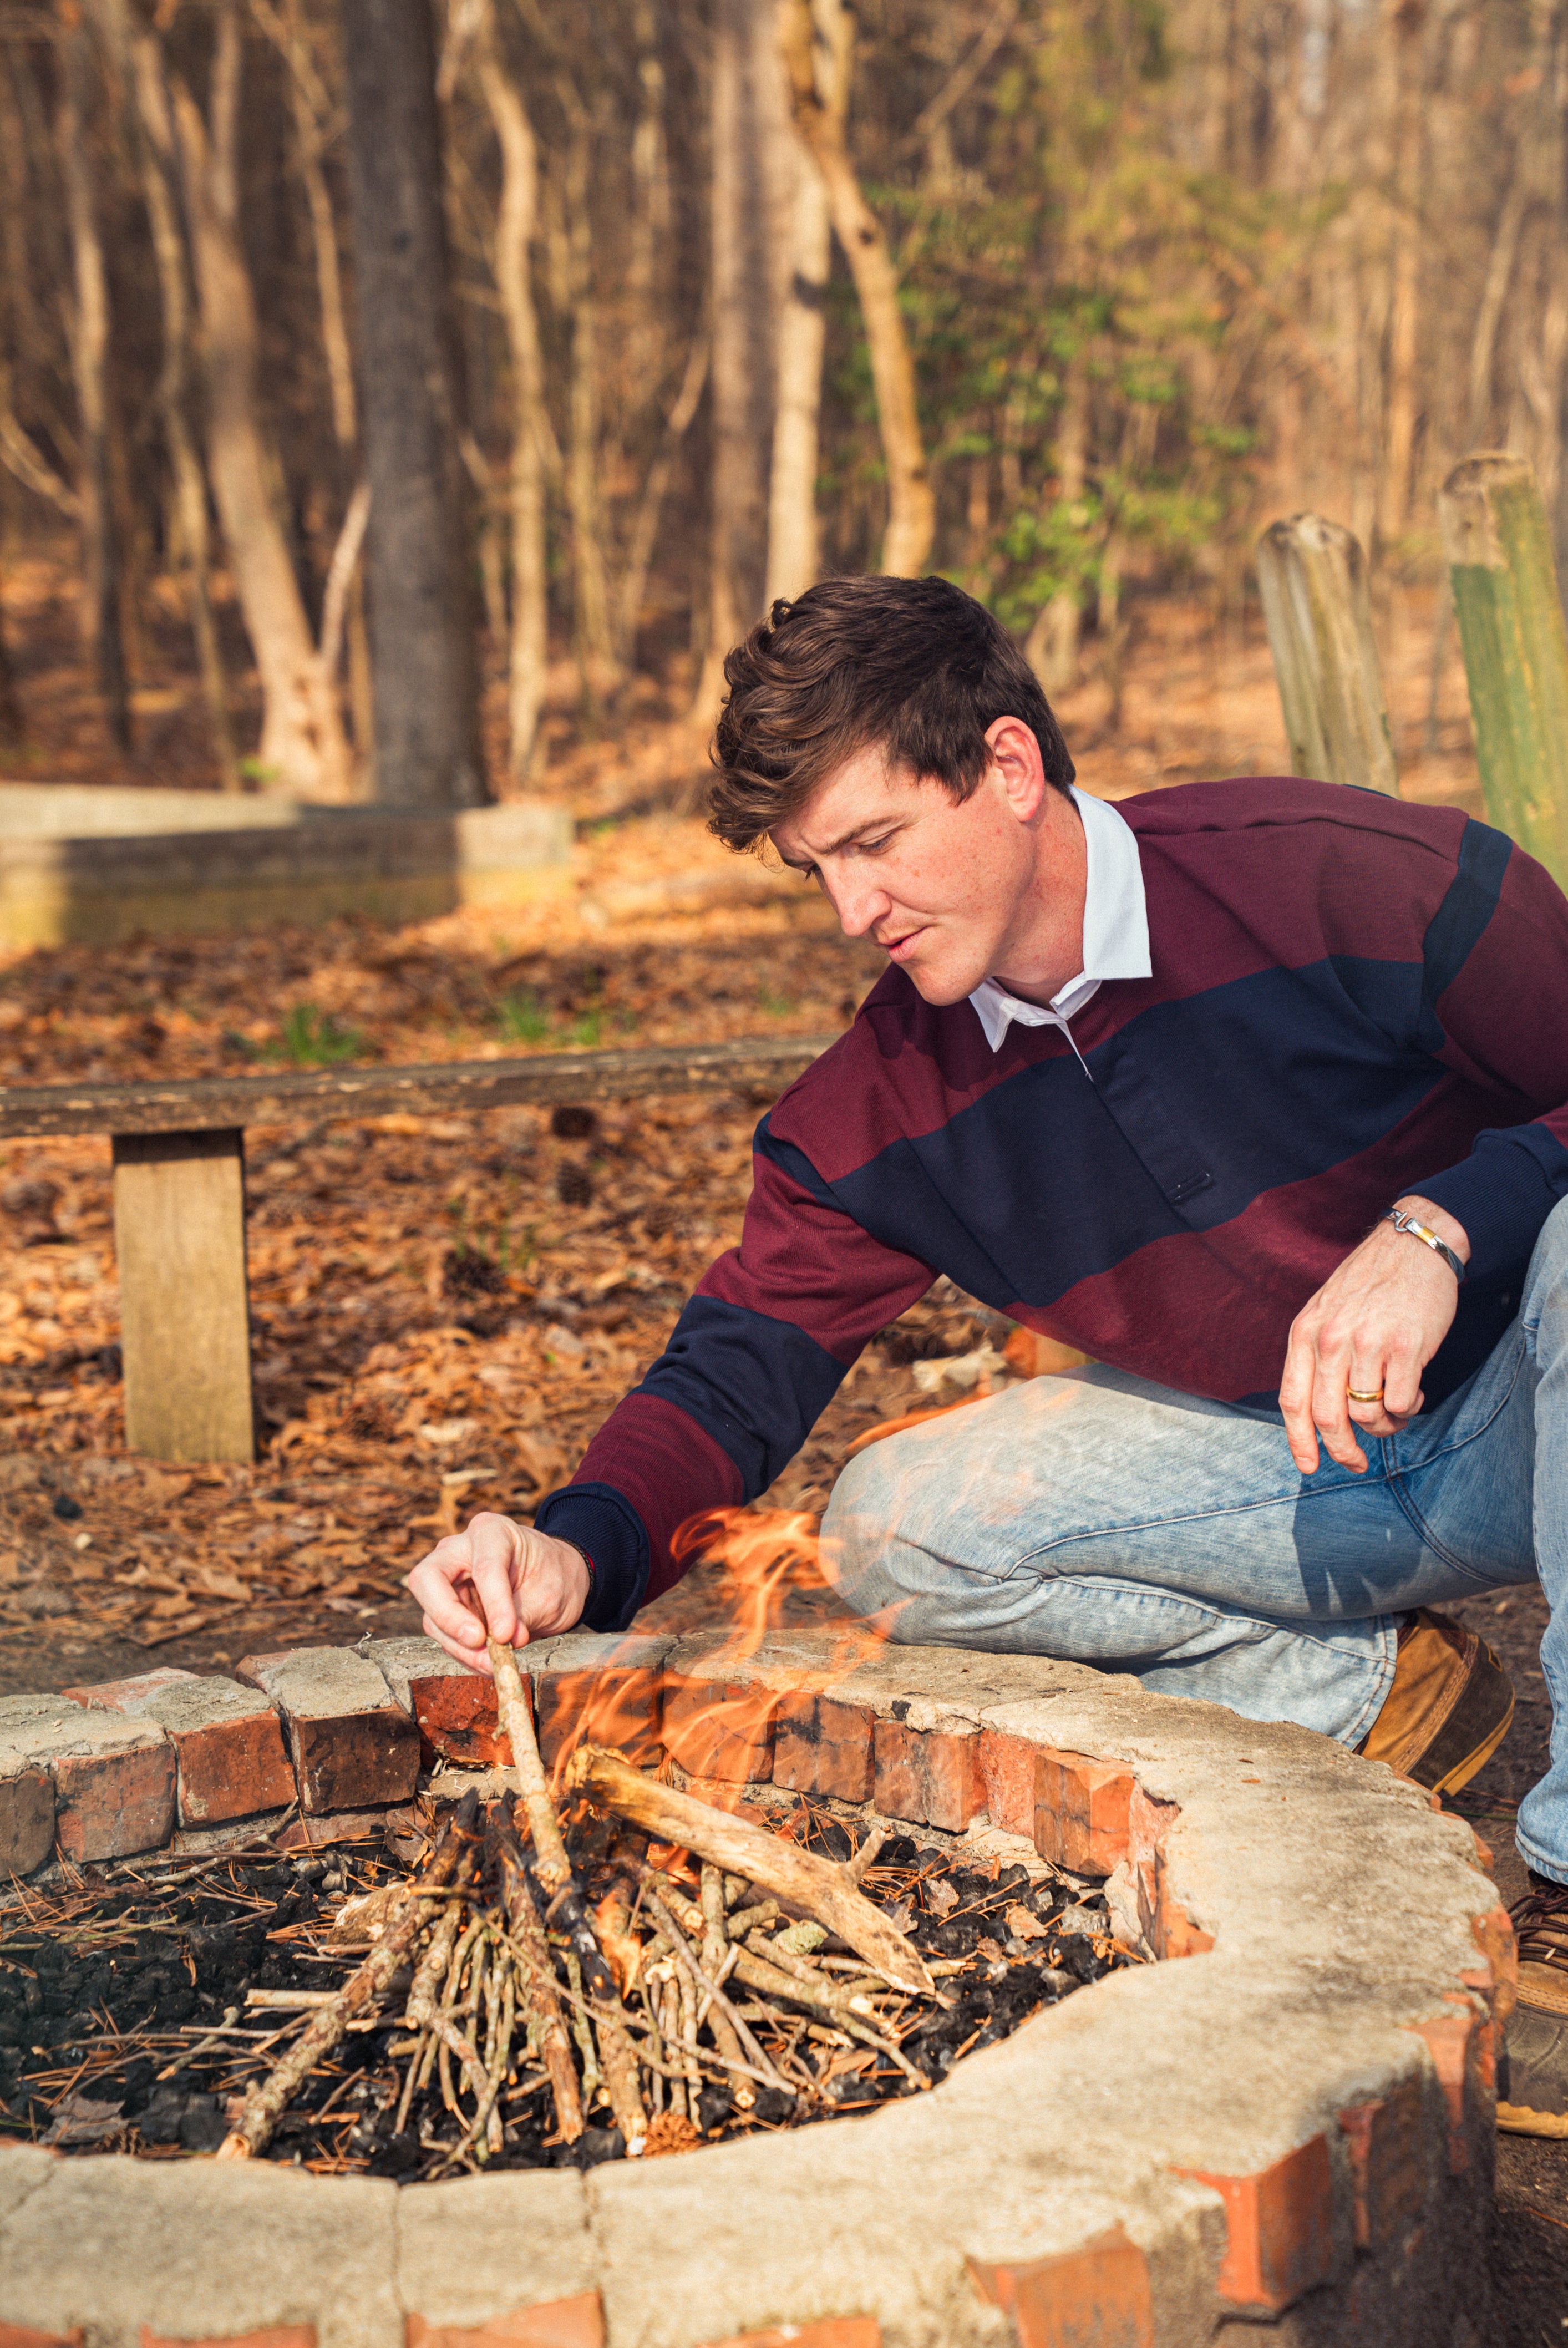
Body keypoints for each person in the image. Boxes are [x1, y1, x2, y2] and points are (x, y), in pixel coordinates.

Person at [406, 573, 1568, 2132]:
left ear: (1009, 768)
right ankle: (1357, 1696)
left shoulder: (1356, 881)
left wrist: (1439, 1225)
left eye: (876, 844)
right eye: (813, 868)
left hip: (1523, 1411)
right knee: (891, 1524)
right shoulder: (880, 1100)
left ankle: (1564, 1892)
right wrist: (570, 1547)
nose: (851, 913)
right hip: (1298, 1470)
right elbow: (733, 1367)